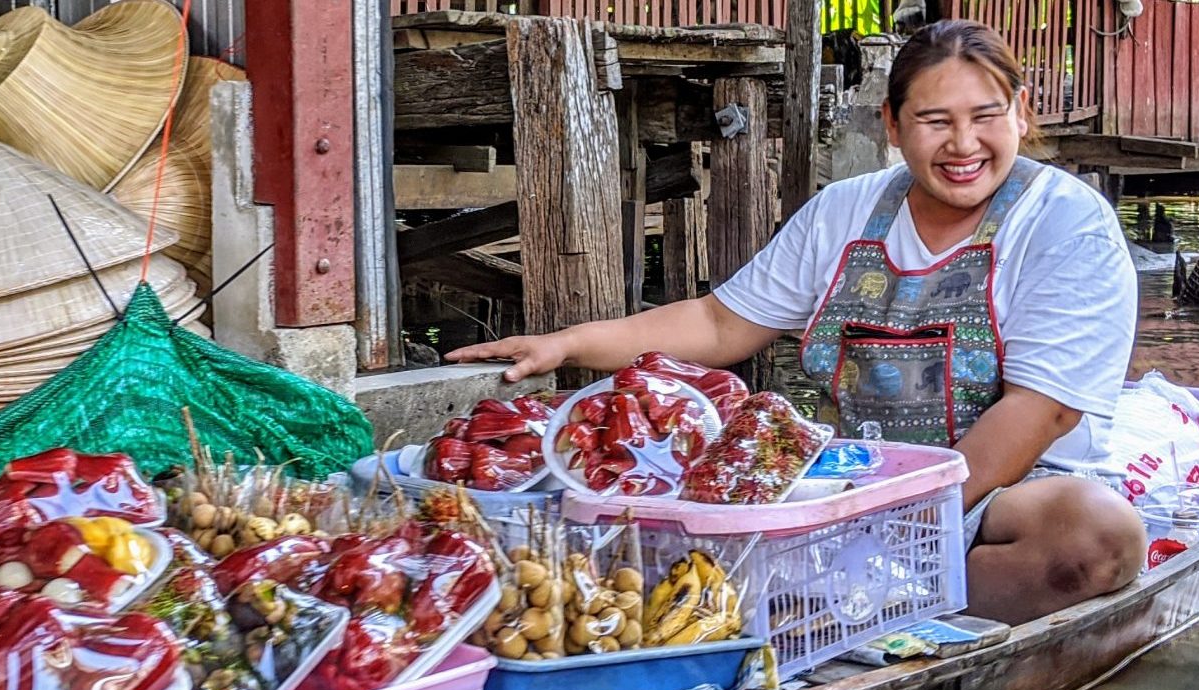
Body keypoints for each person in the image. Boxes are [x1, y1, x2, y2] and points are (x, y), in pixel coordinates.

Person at [448, 19, 1142, 625]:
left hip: (995, 500)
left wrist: (904, 525)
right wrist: (566, 344)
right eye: (935, 122)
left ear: (1021, 112)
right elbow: (721, 324)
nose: (963, 144)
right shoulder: (845, 211)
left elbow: (1040, 413)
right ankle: (823, 605)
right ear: (893, 126)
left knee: (1097, 537)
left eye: (985, 116)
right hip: (850, 483)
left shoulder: (1067, 223)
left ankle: (885, 614)